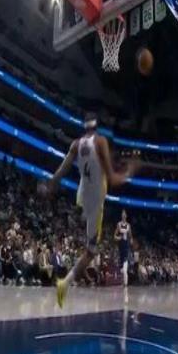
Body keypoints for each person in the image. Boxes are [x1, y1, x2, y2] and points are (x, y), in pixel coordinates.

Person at [42, 113, 138, 308]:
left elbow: (62, 170)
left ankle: (66, 282)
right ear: (97, 126)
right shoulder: (101, 142)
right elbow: (113, 179)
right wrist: (130, 171)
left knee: (90, 245)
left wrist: (50, 183)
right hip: (95, 200)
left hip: (82, 194)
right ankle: (64, 284)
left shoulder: (76, 144)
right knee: (92, 251)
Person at [114, 210, 132, 287]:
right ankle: (123, 282)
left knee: (125, 268)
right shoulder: (119, 224)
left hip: (126, 247)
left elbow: (131, 236)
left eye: (125, 214)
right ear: (121, 216)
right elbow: (114, 236)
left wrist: (131, 241)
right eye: (122, 214)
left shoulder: (128, 225)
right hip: (120, 247)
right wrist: (118, 238)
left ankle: (125, 284)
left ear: (126, 216)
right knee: (122, 268)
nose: (123, 215)